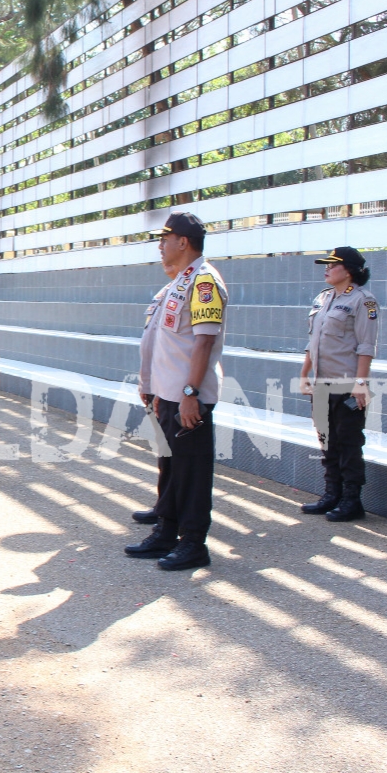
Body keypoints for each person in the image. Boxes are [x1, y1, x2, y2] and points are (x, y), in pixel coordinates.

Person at [125, 212, 227, 571]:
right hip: (167, 393)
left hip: (188, 397)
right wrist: (153, 388)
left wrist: (189, 392)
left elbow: (202, 344)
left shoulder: (204, 282)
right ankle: (167, 531)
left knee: (192, 472)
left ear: (183, 242)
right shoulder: (179, 282)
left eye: (165, 239)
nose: (160, 245)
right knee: (170, 467)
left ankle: (194, 543)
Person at [299, 247, 379, 522]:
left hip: (345, 384)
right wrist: (304, 373)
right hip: (321, 382)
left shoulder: (364, 301)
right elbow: (313, 341)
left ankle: (351, 500)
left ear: (349, 270)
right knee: (327, 441)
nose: (326, 269)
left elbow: (366, 345)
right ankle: (331, 494)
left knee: (348, 442)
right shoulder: (323, 299)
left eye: (332, 265)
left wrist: (361, 383)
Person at [130, 256, 182, 526]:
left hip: (171, 386)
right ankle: (163, 505)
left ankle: (172, 513)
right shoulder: (167, 292)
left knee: (175, 456)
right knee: (164, 453)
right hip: (156, 384)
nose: (164, 255)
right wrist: (146, 384)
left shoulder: (189, 291)